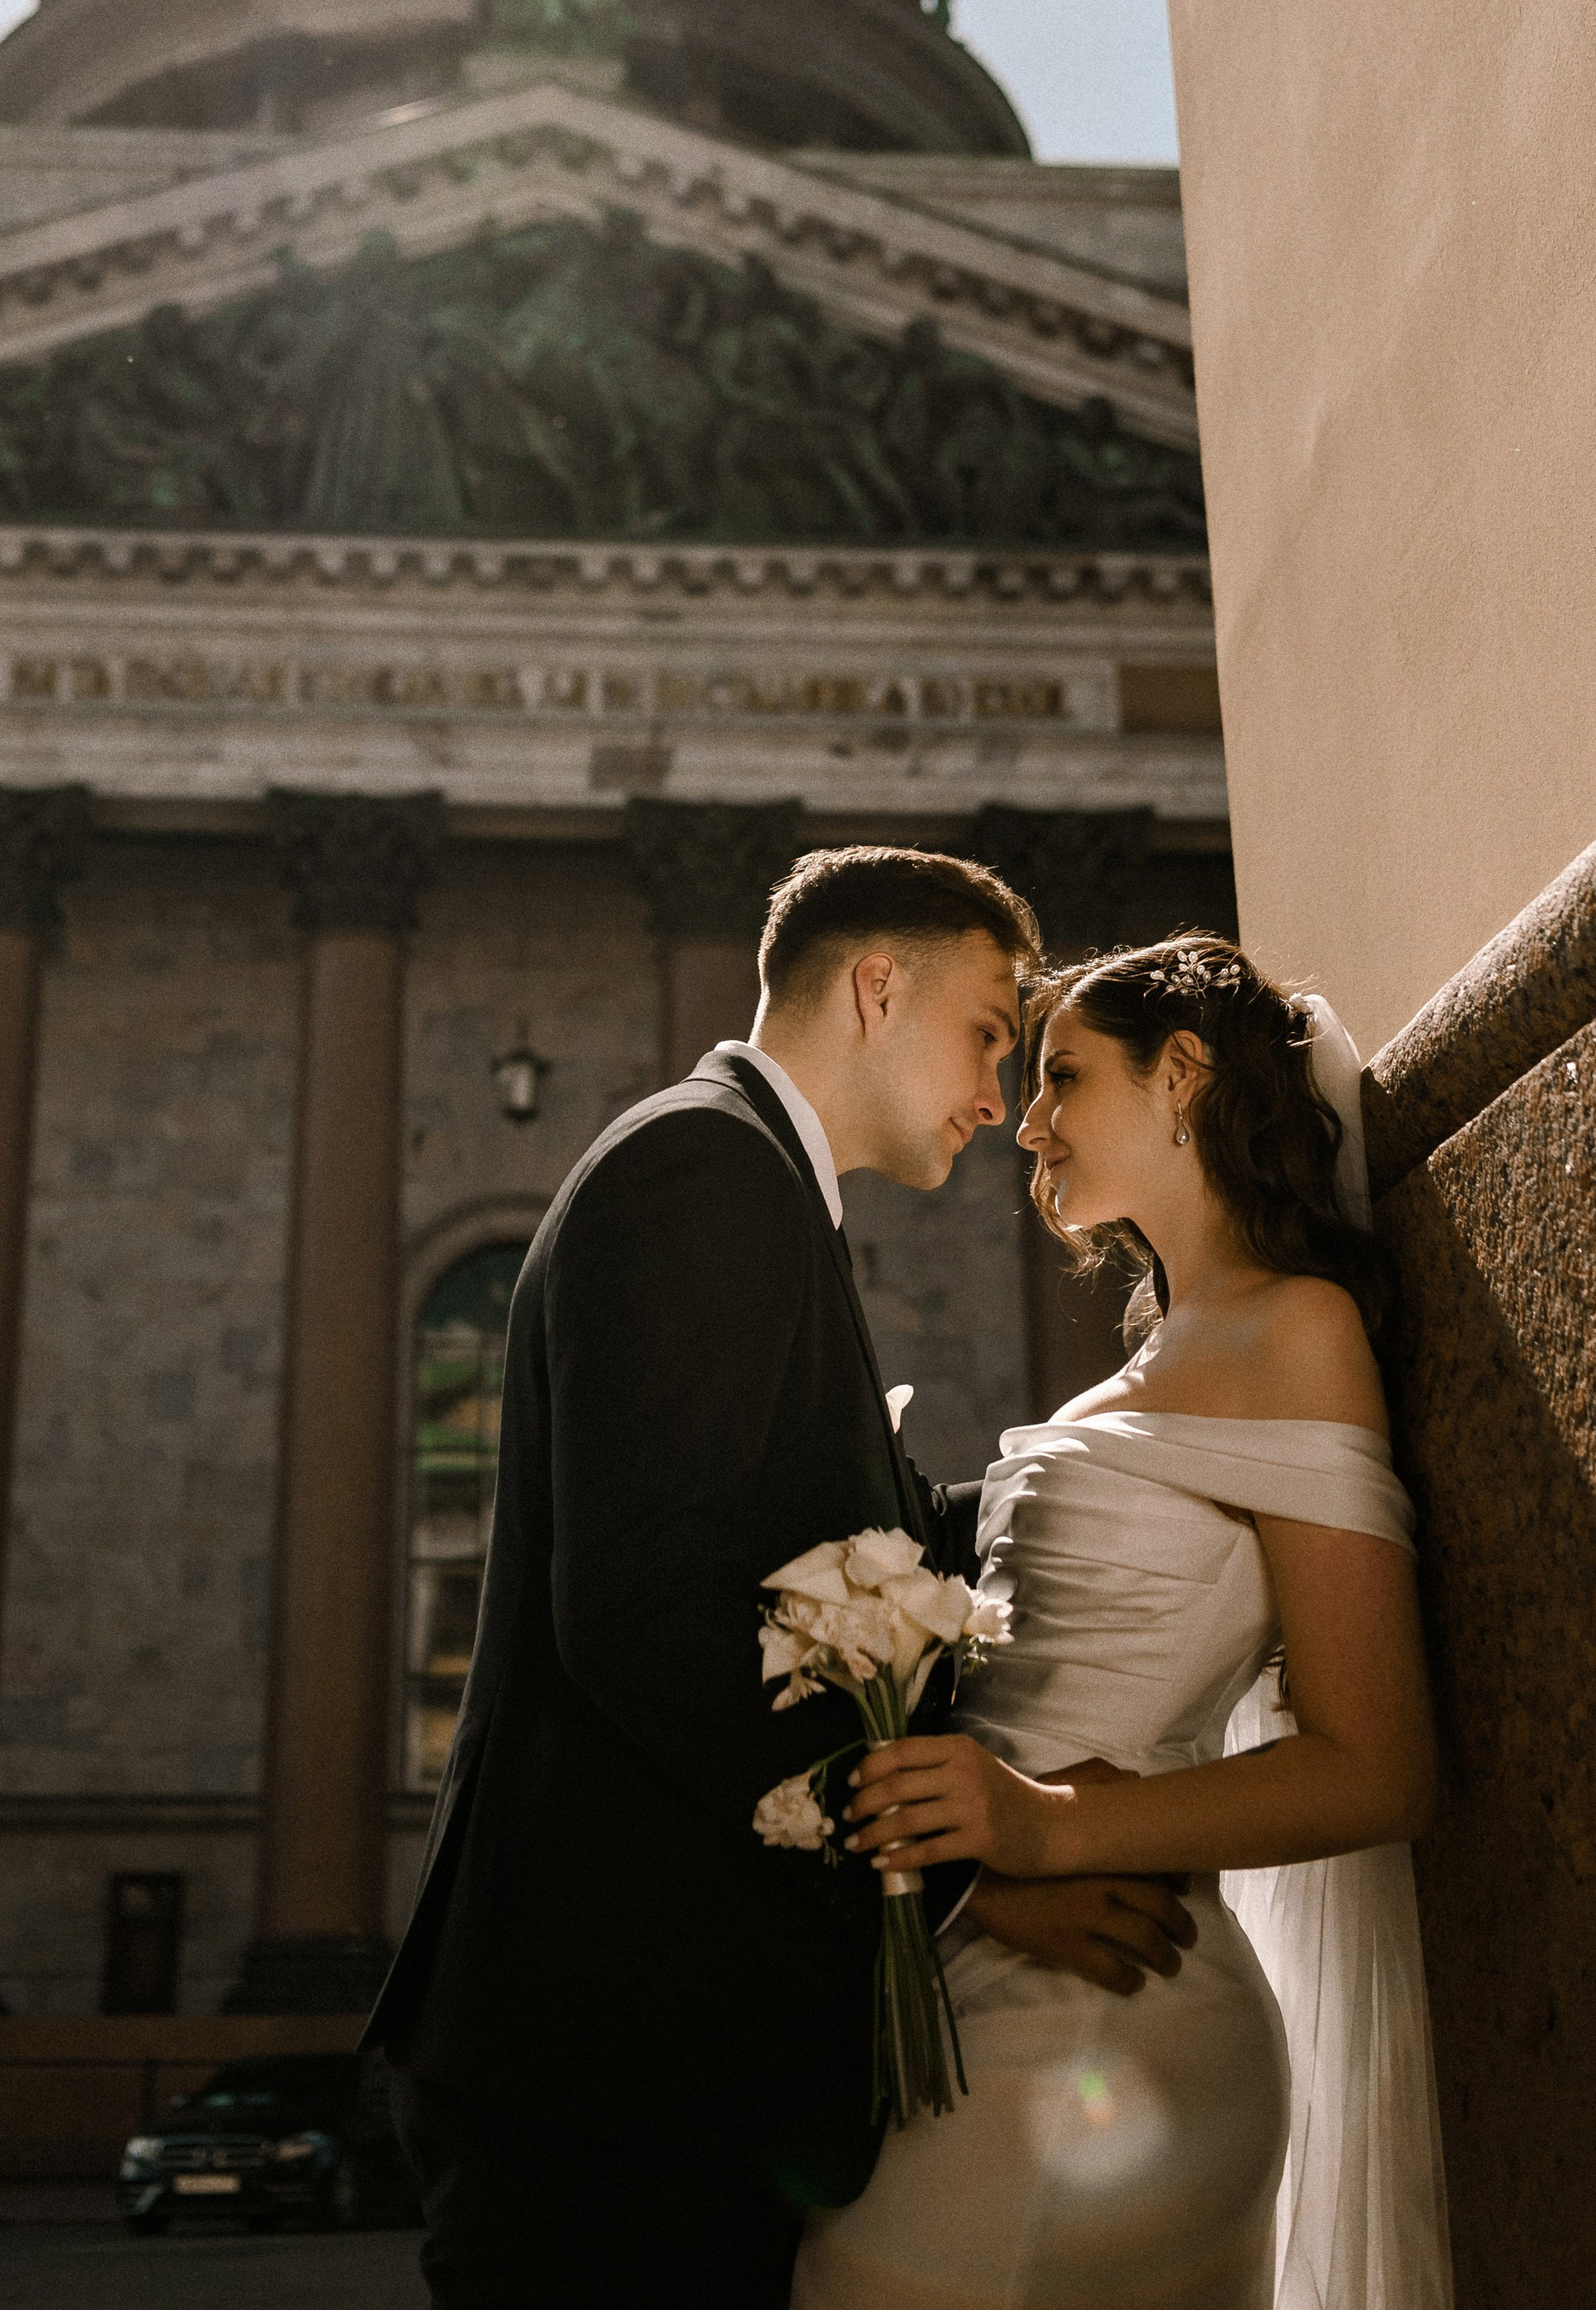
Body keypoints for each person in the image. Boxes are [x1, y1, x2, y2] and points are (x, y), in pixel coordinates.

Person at [369, 847, 1200, 2310]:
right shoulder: (703, 1171)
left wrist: (1123, 1479)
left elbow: (845, 1552)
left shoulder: (746, 1180)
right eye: (988, 1035)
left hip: (648, 2061)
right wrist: (962, 1870)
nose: (998, 1099)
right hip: (611, 2062)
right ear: (878, 989)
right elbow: (648, 1619)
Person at [798, 933, 1452, 2310]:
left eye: (1065, 1076)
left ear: (1184, 1075)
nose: (1027, 1121)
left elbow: (1380, 1764)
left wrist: (1046, 1828)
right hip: (984, 1972)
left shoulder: (1297, 1330)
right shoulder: (1153, 1357)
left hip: (1112, 2001)